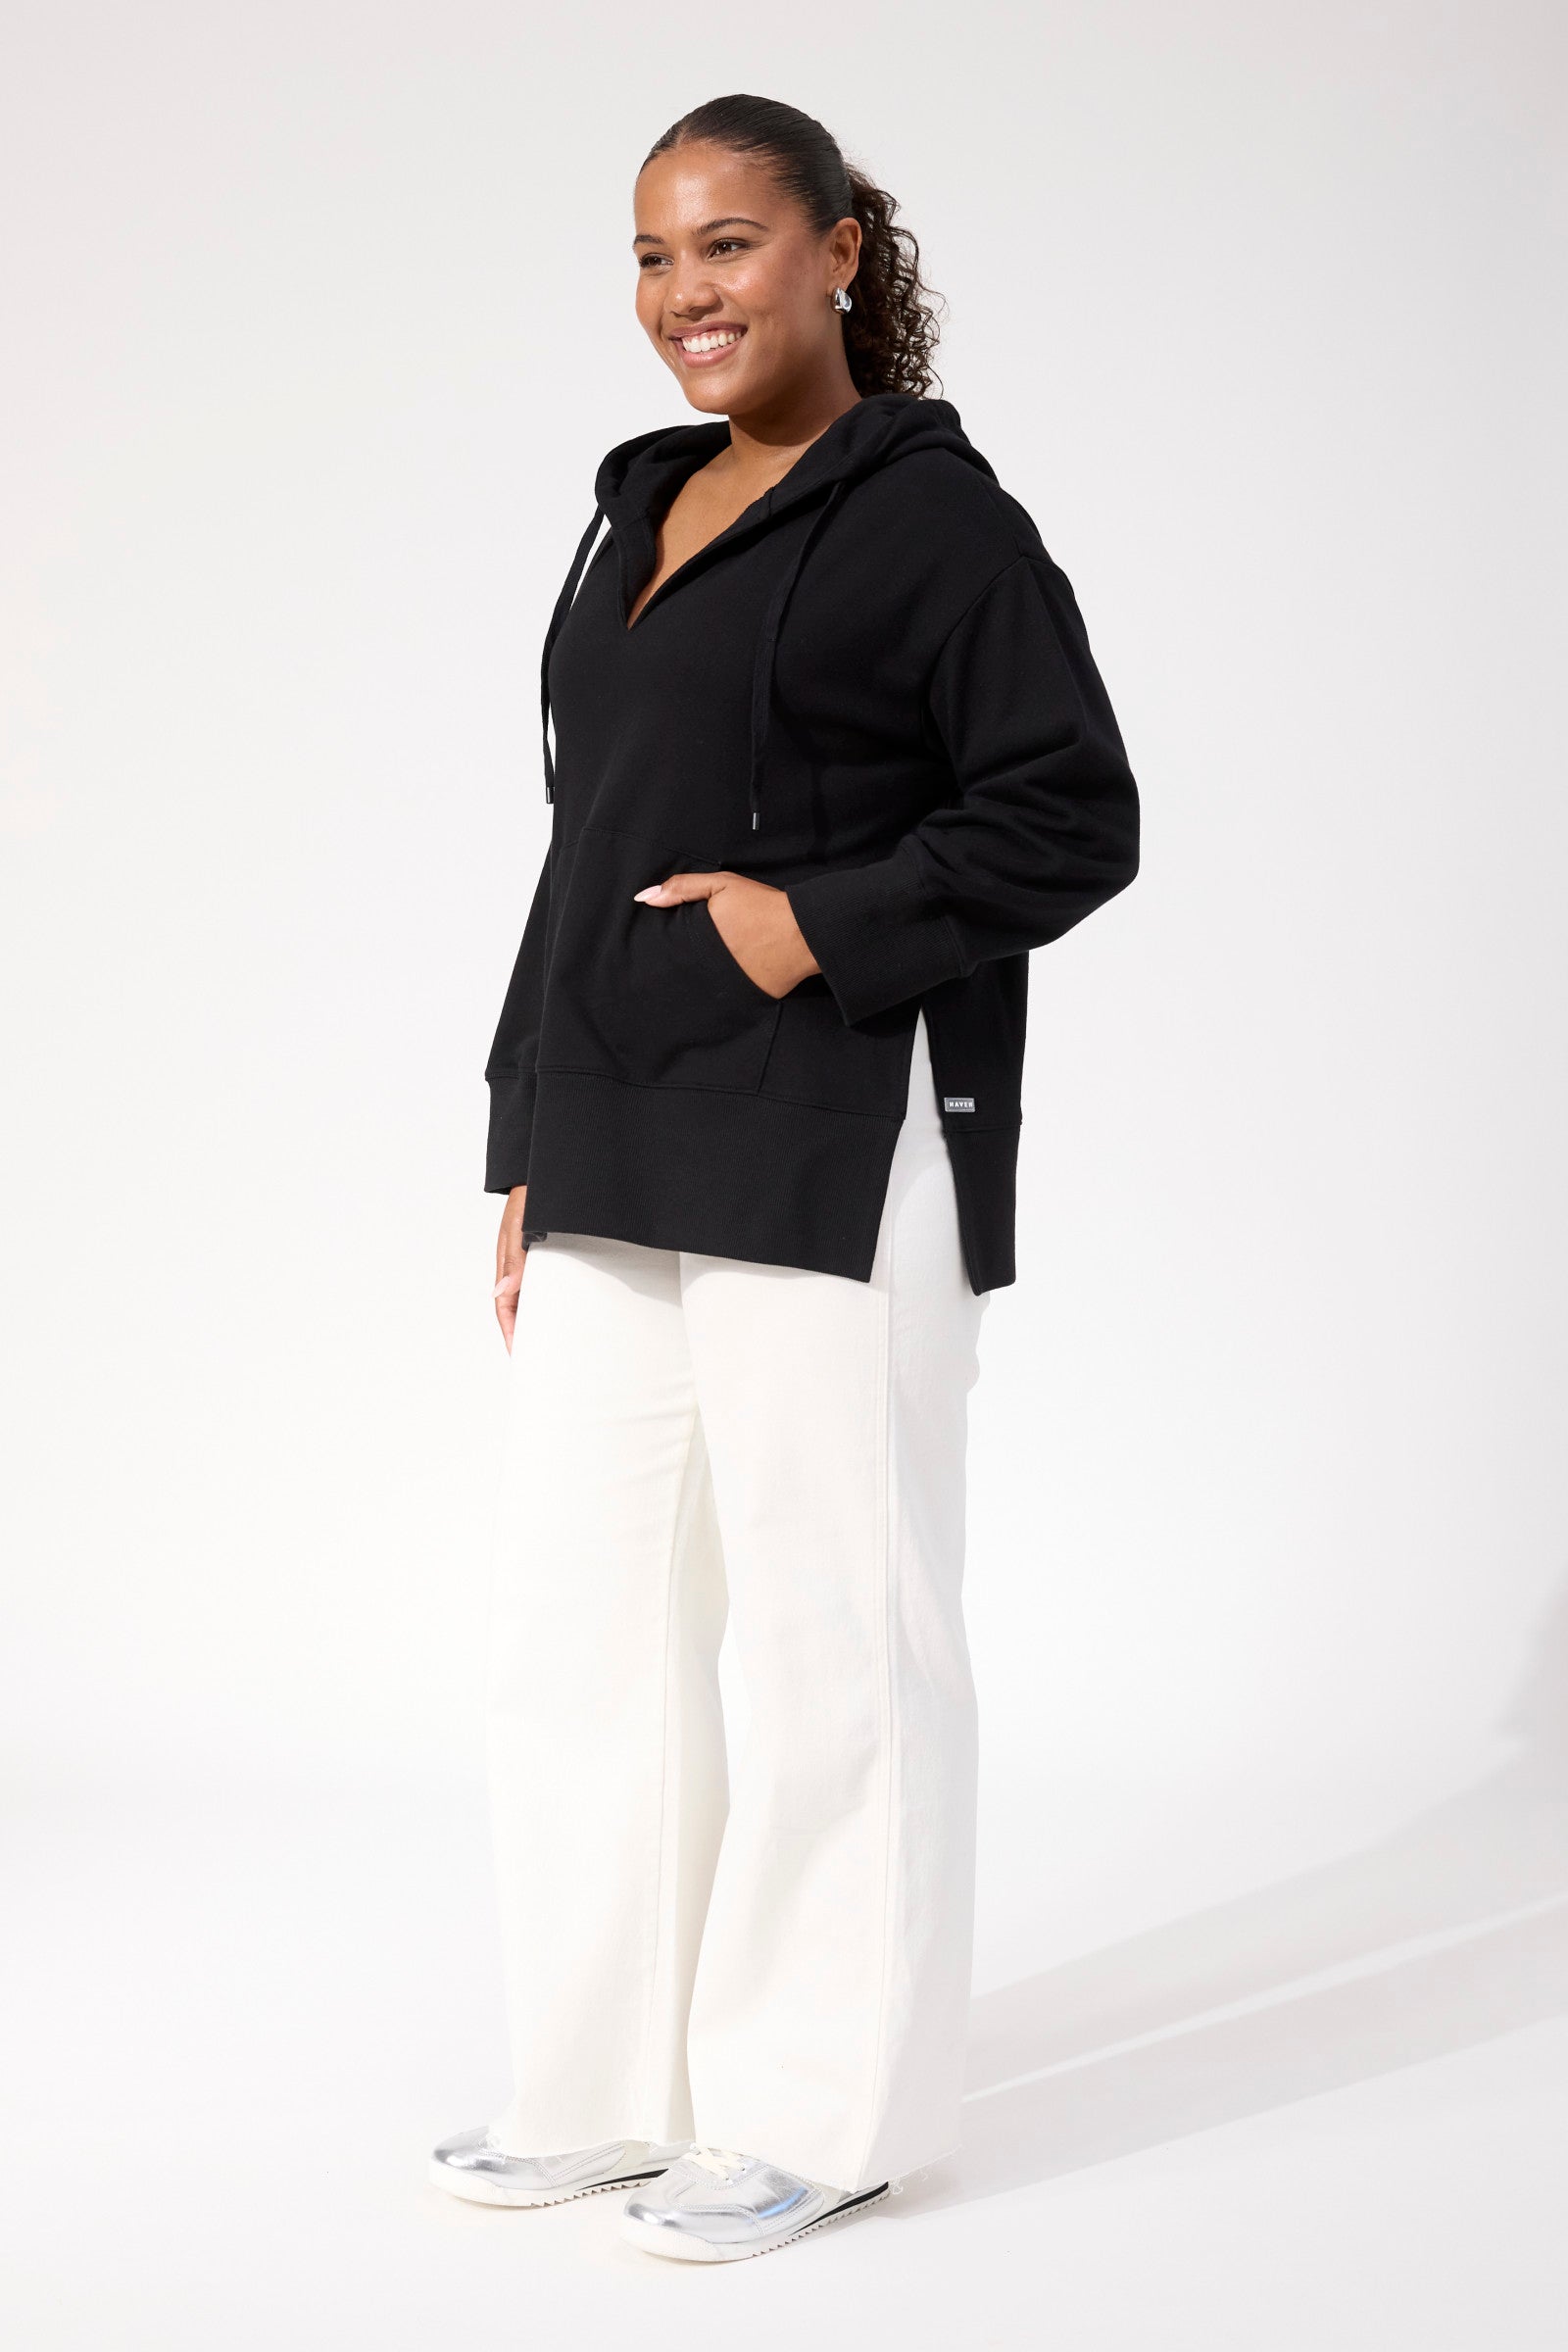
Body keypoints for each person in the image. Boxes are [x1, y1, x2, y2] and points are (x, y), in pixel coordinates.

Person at [430, 92, 1140, 2263]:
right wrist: (523, 1134)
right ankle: (606, 2091)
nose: (686, 295)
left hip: (831, 1127)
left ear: (839, 250)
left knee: (835, 1630)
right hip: (617, 1119)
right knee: (583, 1628)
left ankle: (819, 2108)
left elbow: (1072, 814)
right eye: (653, 258)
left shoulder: (938, 523)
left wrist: (805, 925)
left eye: (728, 244)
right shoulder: (636, 508)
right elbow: (581, 841)